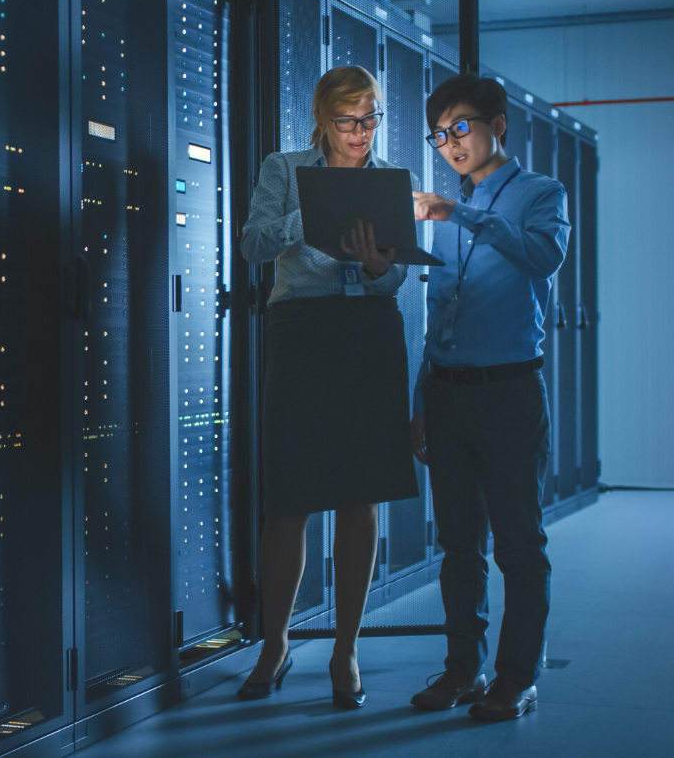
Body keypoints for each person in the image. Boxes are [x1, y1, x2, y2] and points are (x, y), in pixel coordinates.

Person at [238, 66, 420, 709]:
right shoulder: (283, 168)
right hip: (302, 333)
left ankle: (346, 648)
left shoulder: (396, 181)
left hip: (367, 333)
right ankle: (275, 643)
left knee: (360, 494)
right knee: (289, 497)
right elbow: (253, 244)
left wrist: (376, 268)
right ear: (321, 120)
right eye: (348, 122)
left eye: (371, 119)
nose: (361, 133)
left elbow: (395, 280)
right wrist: (307, 215)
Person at [410, 74, 570, 720]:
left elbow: (543, 257)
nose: (451, 144)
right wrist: (422, 398)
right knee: (458, 545)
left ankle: (516, 678)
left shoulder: (541, 194)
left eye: (462, 127)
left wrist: (462, 213)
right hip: (447, 397)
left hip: (509, 393)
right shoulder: (444, 216)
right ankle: (461, 671)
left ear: (498, 123)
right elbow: (439, 312)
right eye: (441, 134)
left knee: (519, 546)